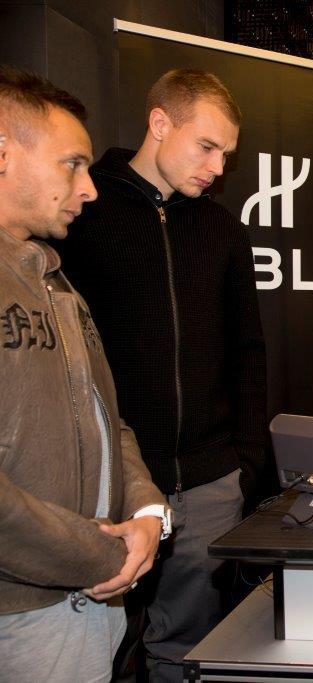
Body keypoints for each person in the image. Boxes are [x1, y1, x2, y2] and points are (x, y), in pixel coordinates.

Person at [54, 68, 267, 683]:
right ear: (159, 123)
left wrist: (245, 463)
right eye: (207, 147)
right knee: (101, 650)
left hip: (208, 485)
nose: (217, 167)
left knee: (188, 653)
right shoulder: (83, 211)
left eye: (226, 153)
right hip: (111, 485)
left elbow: (248, 352)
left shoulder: (221, 228)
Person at [0, 65, 168, 681]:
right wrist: (100, 554)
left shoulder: (57, 283)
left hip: (85, 605)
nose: (90, 188)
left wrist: (148, 513)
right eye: (72, 164)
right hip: (23, 613)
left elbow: (106, 419)